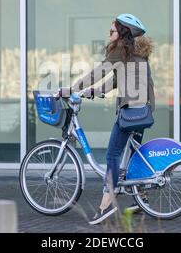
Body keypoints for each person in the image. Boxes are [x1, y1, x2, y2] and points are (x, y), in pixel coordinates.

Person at [71, 13, 155, 225]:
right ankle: (141, 199)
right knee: (135, 154)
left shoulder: (119, 51)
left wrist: (71, 88)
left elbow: (98, 72)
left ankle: (106, 204)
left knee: (113, 155)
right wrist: (90, 92)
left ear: (122, 33)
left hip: (130, 111)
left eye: (112, 31)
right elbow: (114, 82)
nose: (109, 35)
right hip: (143, 110)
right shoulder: (134, 54)